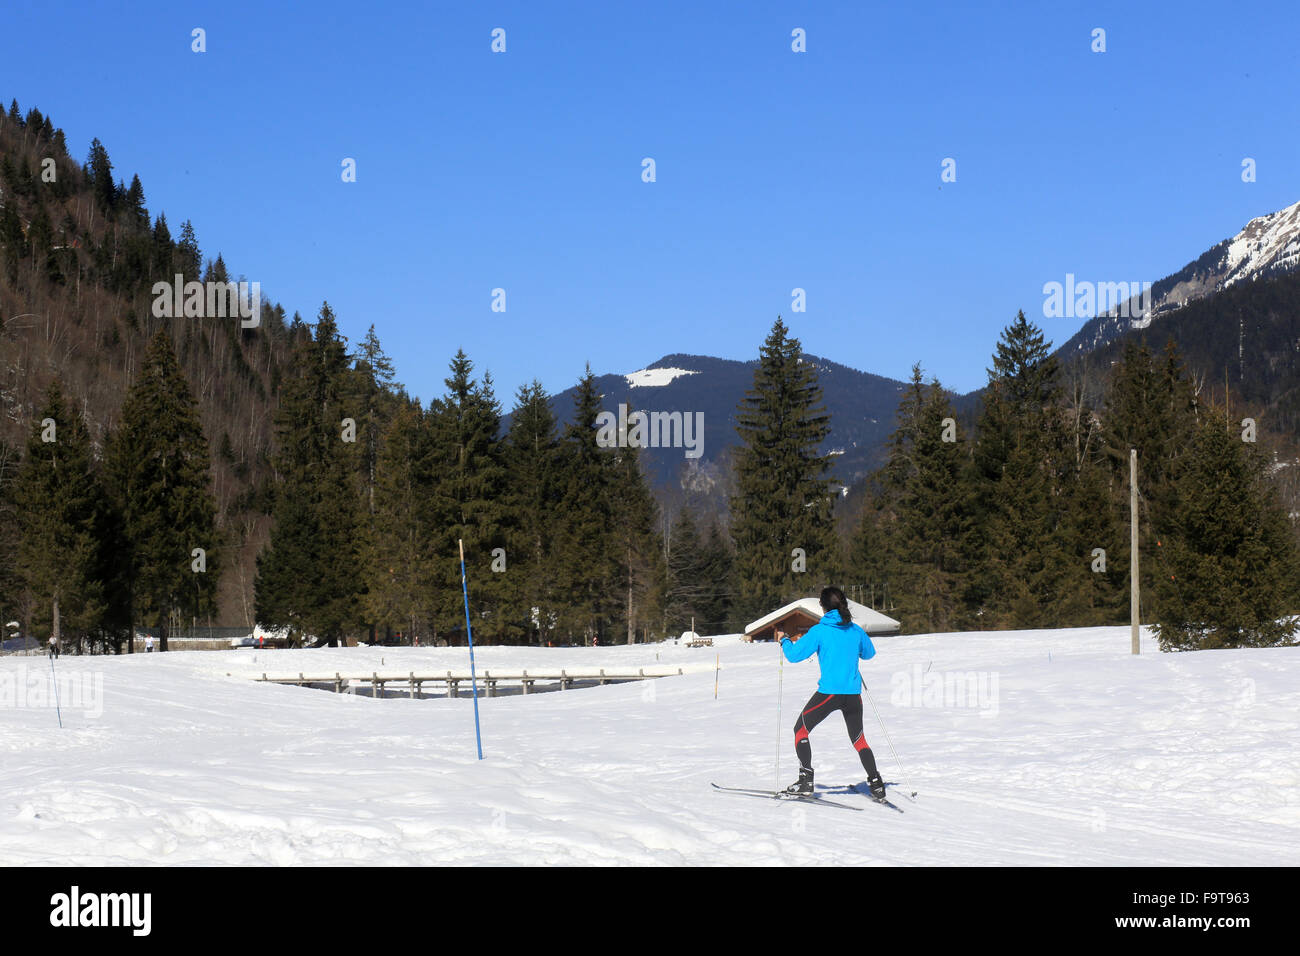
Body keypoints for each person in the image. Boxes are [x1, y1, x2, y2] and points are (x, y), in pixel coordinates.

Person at [777, 586, 885, 800]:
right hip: (853, 695)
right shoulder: (854, 629)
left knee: (800, 730)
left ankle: (806, 781)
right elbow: (869, 653)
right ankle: (876, 783)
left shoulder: (820, 630)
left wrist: (784, 639)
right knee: (859, 739)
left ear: (823, 607)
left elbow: (794, 656)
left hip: (829, 693)